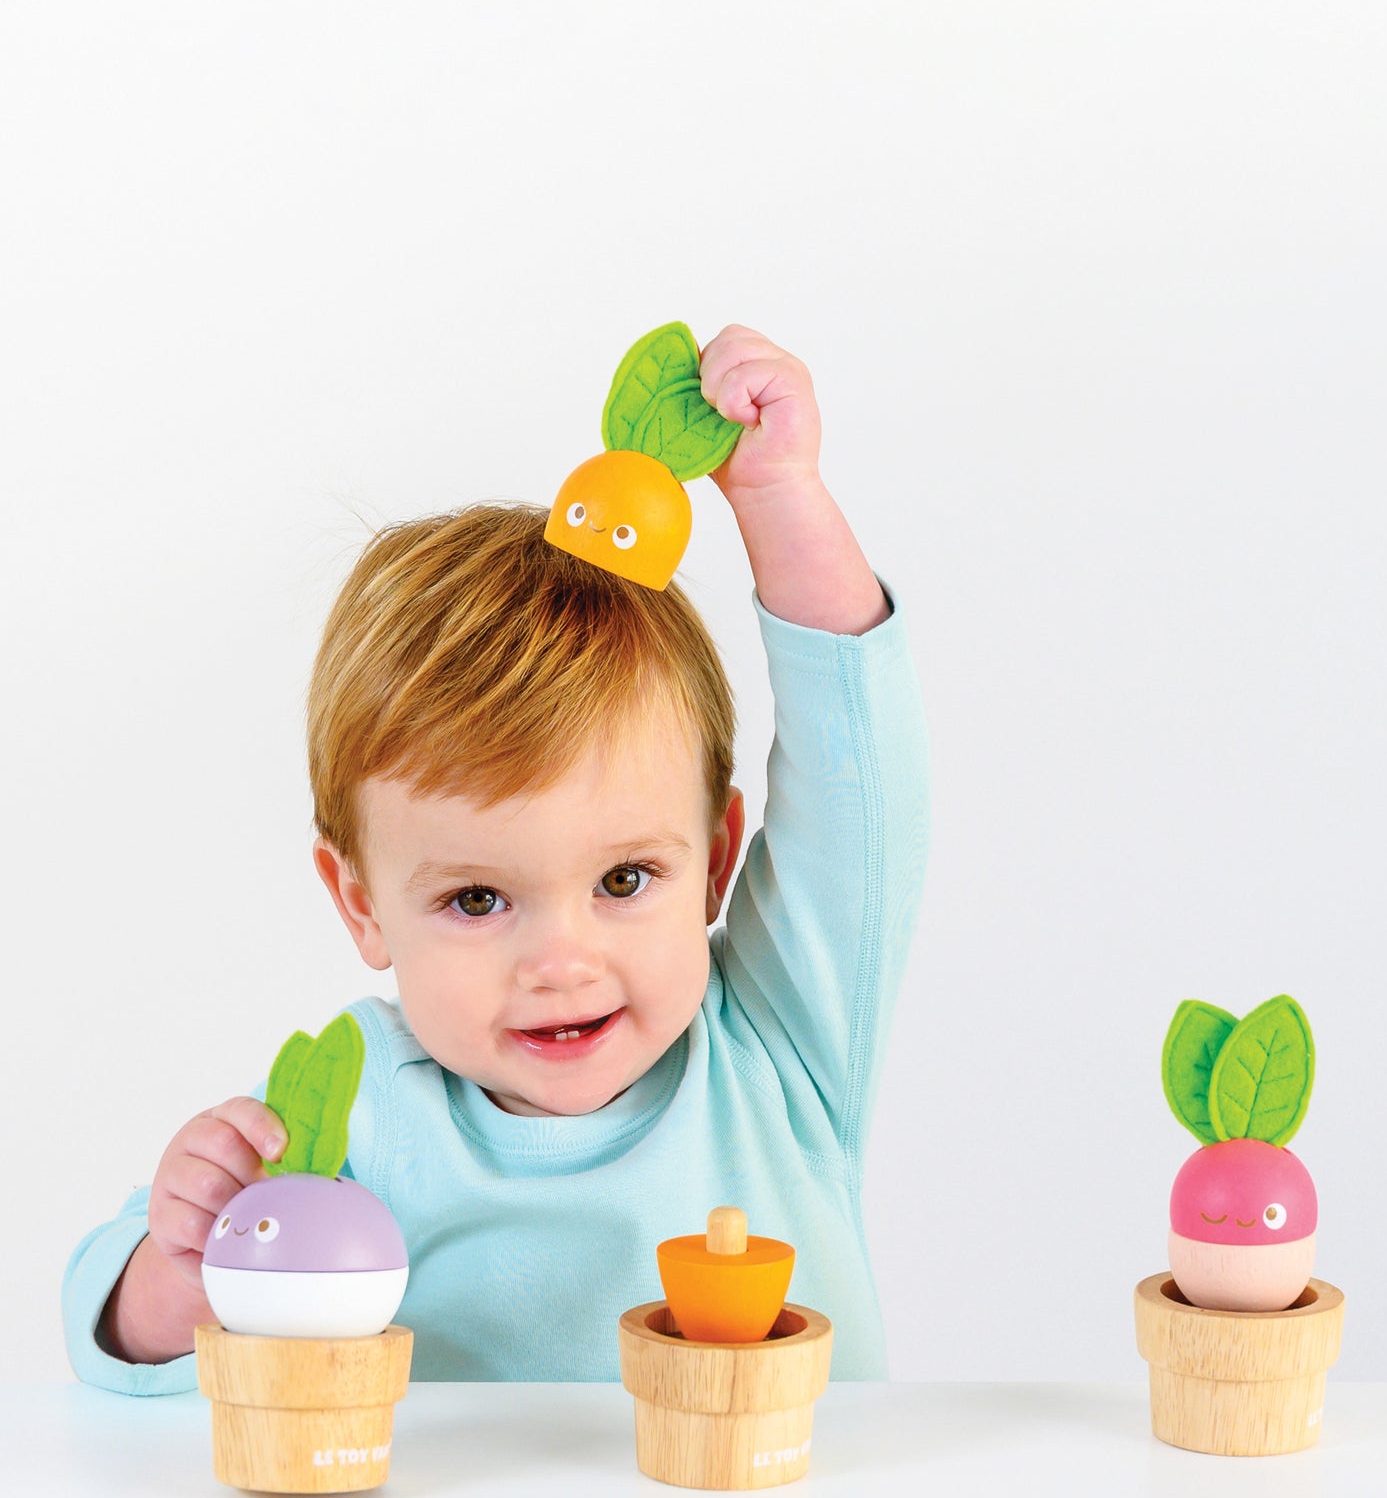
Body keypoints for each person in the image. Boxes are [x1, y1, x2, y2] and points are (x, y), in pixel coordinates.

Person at [62, 325, 931, 1387]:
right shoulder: (353, 1109)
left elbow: (860, 780)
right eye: (477, 898)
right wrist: (175, 1274)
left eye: (623, 880)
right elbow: (106, 1342)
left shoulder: (778, 1047)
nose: (559, 960)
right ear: (362, 902)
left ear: (712, 861)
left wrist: (777, 494)